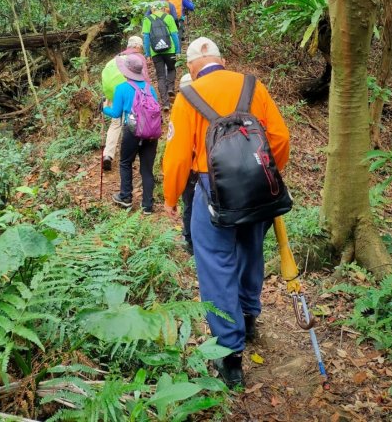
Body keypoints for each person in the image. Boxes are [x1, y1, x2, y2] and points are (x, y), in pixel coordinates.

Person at [162, 37, 290, 387]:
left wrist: (171, 197)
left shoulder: (187, 98)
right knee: (251, 250)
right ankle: (249, 316)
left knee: (216, 264)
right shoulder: (252, 85)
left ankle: (231, 357)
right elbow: (279, 137)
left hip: (212, 191)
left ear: (191, 67)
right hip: (258, 186)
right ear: (222, 59)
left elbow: (176, 157)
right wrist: (266, 174)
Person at [103, 54, 159, 214]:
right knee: (147, 169)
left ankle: (125, 197)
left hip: (132, 131)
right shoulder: (150, 88)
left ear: (126, 71)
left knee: (125, 163)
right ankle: (148, 206)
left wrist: (103, 108)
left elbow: (115, 113)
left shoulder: (122, 88)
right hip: (151, 133)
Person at [101, 36, 150, 171]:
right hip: (131, 93)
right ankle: (130, 153)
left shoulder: (118, 57)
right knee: (132, 121)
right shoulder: (139, 58)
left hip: (113, 92)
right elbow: (144, 77)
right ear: (139, 46)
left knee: (115, 122)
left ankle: (108, 155)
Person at [142, 1, 180, 112]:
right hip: (170, 50)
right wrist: (177, 50)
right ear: (163, 8)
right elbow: (174, 35)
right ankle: (170, 88)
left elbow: (146, 38)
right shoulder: (168, 17)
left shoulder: (147, 20)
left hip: (155, 52)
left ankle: (165, 103)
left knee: (160, 76)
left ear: (152, 9)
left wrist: (147, 54)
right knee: (172, 68)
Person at [179, 73, 197, 255]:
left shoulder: (183, 109)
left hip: (192, 165)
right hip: (213, 166)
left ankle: (189, 239)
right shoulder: (210, 103)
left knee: (189, 202)